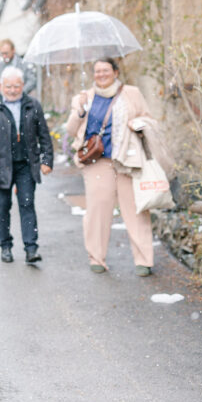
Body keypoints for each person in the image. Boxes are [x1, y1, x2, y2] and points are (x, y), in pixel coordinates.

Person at [64, 57, 157, 276]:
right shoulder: (84, 97)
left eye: (105, 70)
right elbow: (70, 130)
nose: (101, 75)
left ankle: (144, 260)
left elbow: (148, 119)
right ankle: (97, 257)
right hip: (97, 161)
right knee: (97, 211)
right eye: (97, 71)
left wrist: (137, 124)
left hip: (127, 160)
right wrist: (79, 112)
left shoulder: (131, 93)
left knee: (136, 210)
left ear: (115, 72)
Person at [0, 68, 53, 264]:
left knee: (27, 204)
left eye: (16, 86)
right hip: (0, 164)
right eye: (8, 86)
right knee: (2, 207)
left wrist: (47, 160)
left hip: (26, 163)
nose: (12, 90)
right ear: (0, 86)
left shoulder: (32, 105)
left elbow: (44, 135)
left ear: (22, 86)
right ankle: (5, 245)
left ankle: (31, 248)